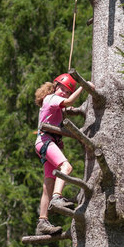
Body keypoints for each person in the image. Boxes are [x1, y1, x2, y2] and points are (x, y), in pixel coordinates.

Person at [34, 72, 91, 235]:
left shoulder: (54, 103)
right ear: (55, 87)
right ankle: (57, 198)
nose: (64, 93)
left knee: (48, 185)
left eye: (67, 91)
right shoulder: (51, 98)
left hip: (44, 143)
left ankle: (42, 221)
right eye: (63, 90)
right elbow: (69, 101)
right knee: (66, 167)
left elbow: (66, 106)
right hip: (45, 141)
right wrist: (83, 87)